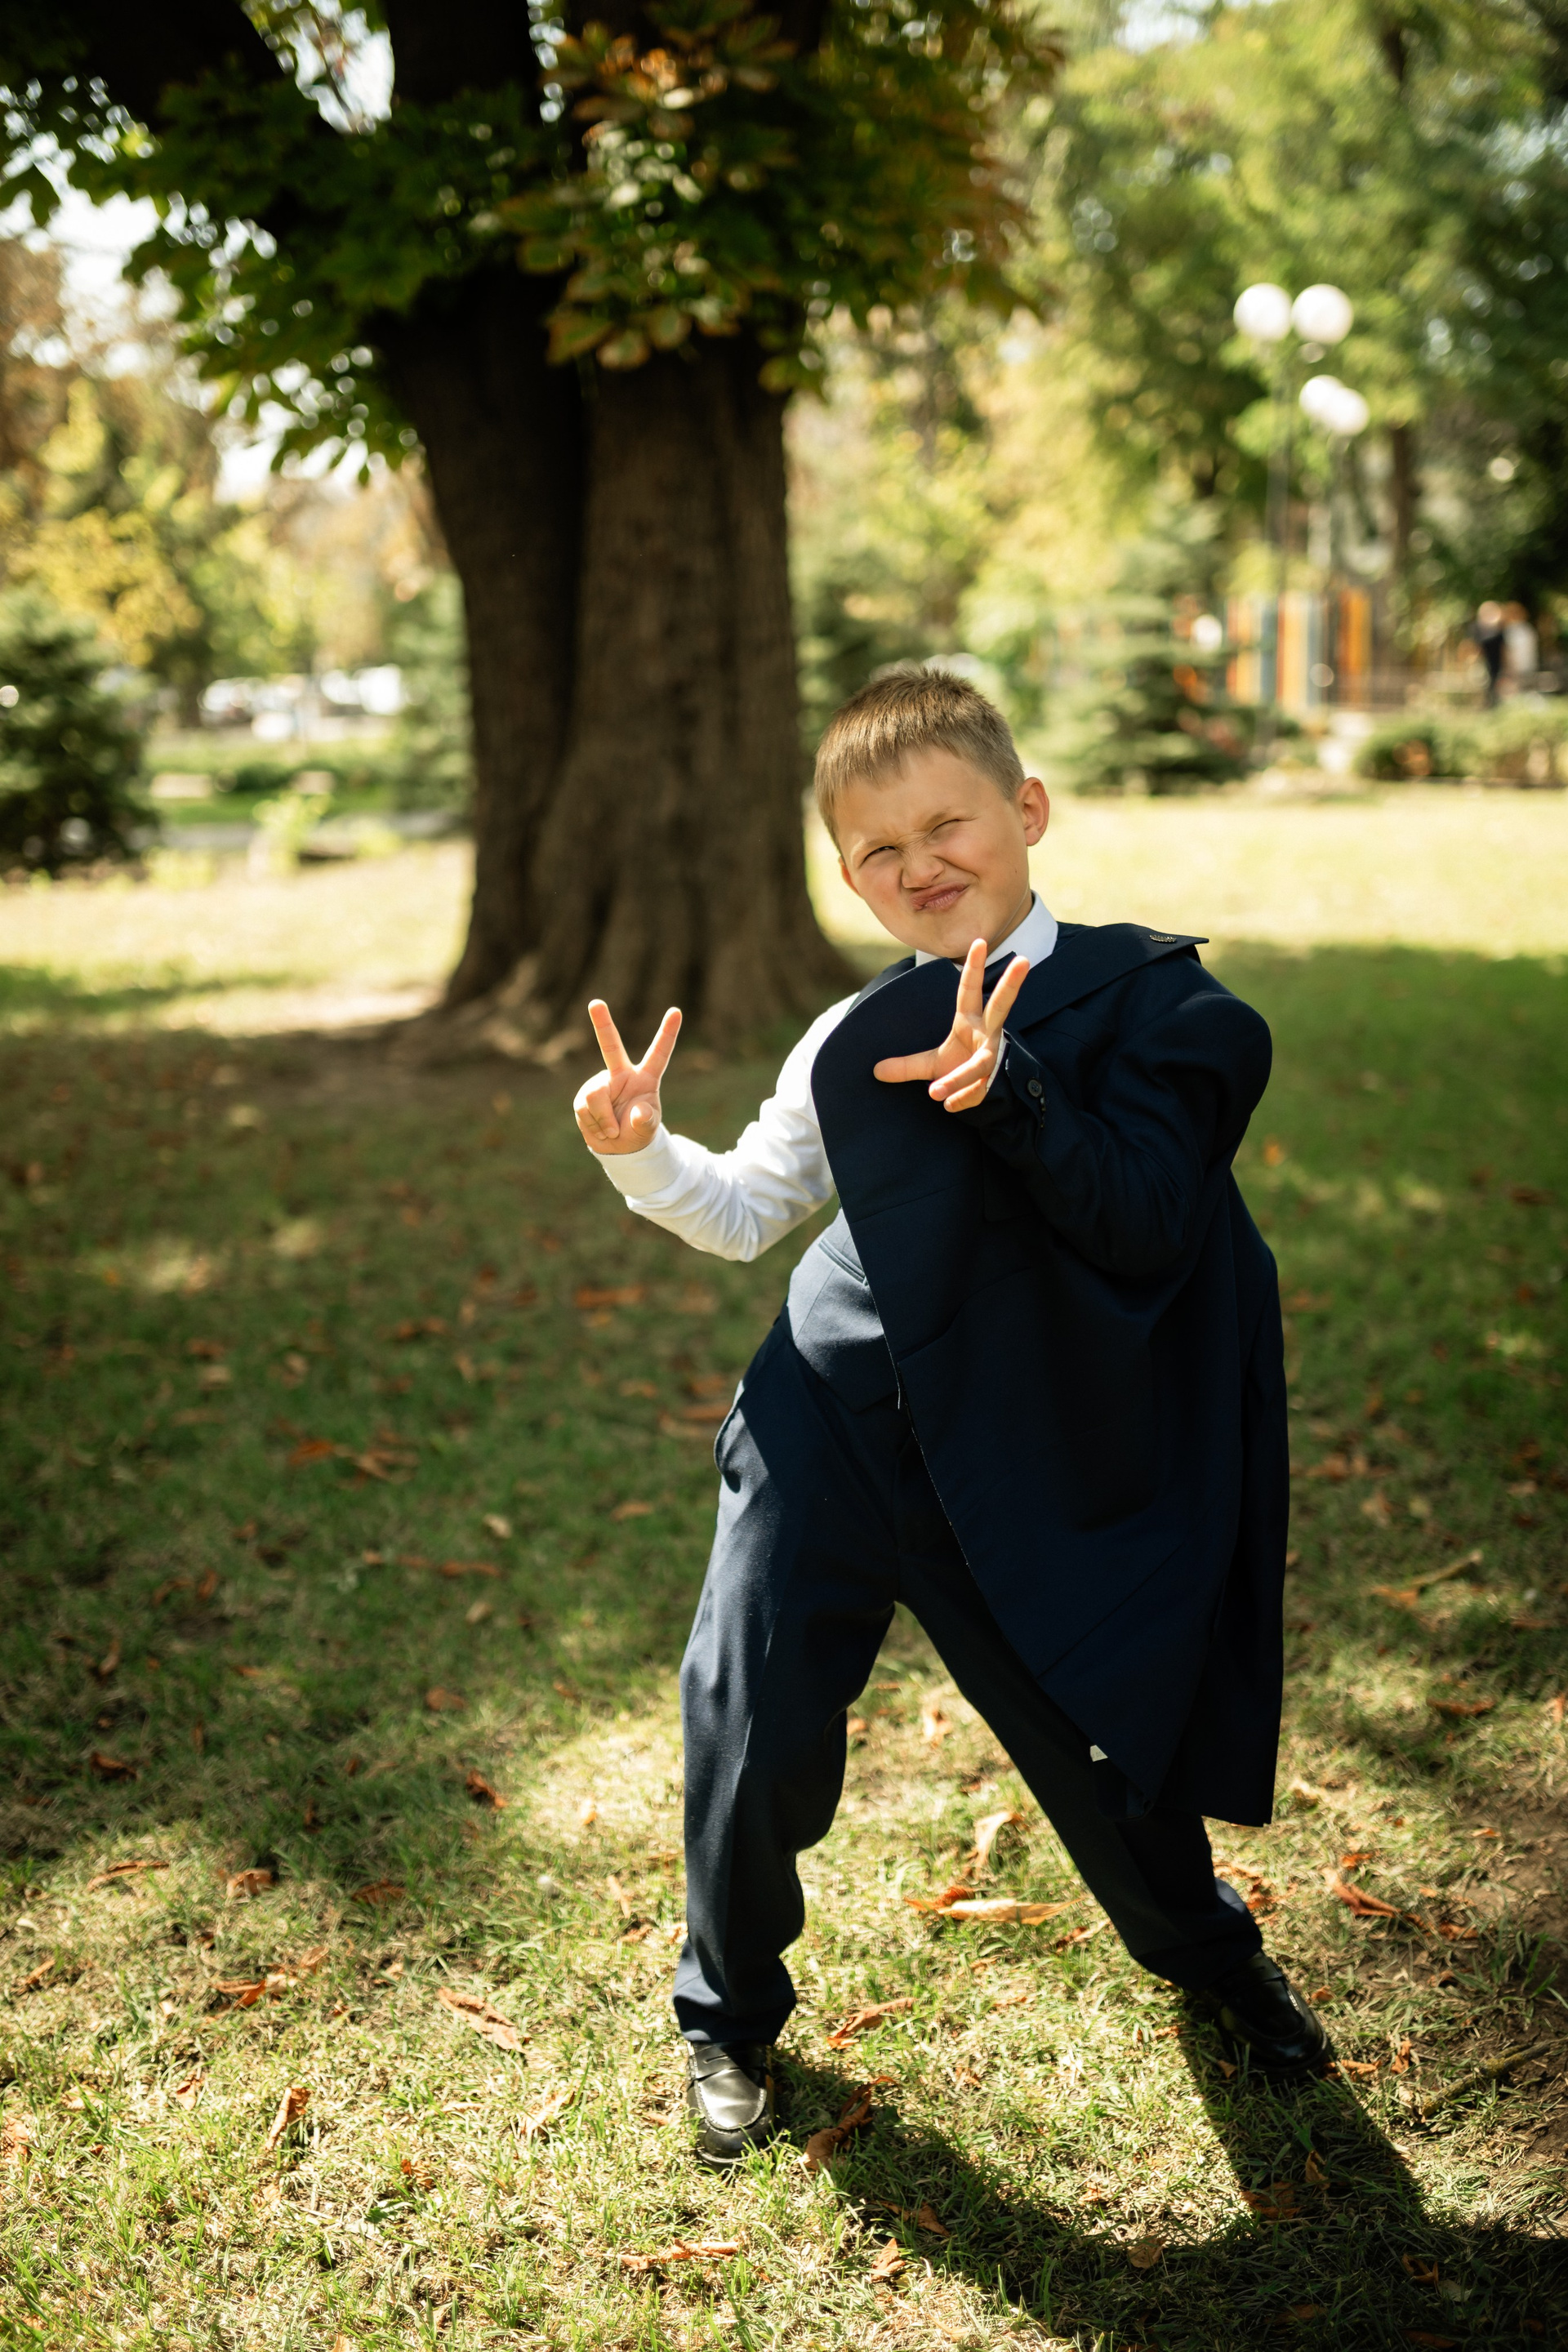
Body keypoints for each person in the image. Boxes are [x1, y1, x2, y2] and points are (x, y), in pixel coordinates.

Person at [572, 670, 1329, 2167]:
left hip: (1034, 1449)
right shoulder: (854, 1031)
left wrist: (1012, 1090)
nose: (919, 865)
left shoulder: (1160, 1004)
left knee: (1096, 1726)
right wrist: (644, 1151)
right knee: (748, 1716)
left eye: (948, 826)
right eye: (877, 850)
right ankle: (724, 2019)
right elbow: (747, 1211)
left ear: (1026, 810)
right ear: (845, 875)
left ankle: (1209, 1955)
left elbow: (1146, 1216)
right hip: (833, 1425)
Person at [1475, 601, 1507, 706]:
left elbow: (1503, 649)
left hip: (1496, 663)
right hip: (1485, 662)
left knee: (1495, 684)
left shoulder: (1499, 630)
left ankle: (1493, 703)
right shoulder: (1479, 630)